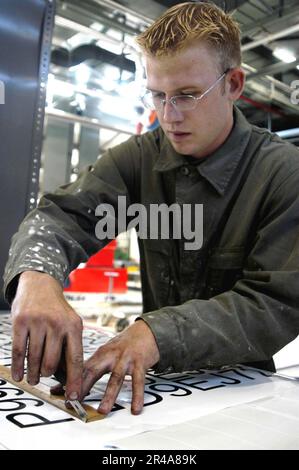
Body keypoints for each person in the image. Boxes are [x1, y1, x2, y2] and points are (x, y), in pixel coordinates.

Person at [4, 2, 299, 416]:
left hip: (245, 397)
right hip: (151, 390)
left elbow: (273, 302)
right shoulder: (138, 159)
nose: (168, 115)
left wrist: (156, 335)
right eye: (157, 95)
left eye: (187, 96)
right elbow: (63, 216)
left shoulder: (284, 174)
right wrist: (35, 275)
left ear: (234, 84)